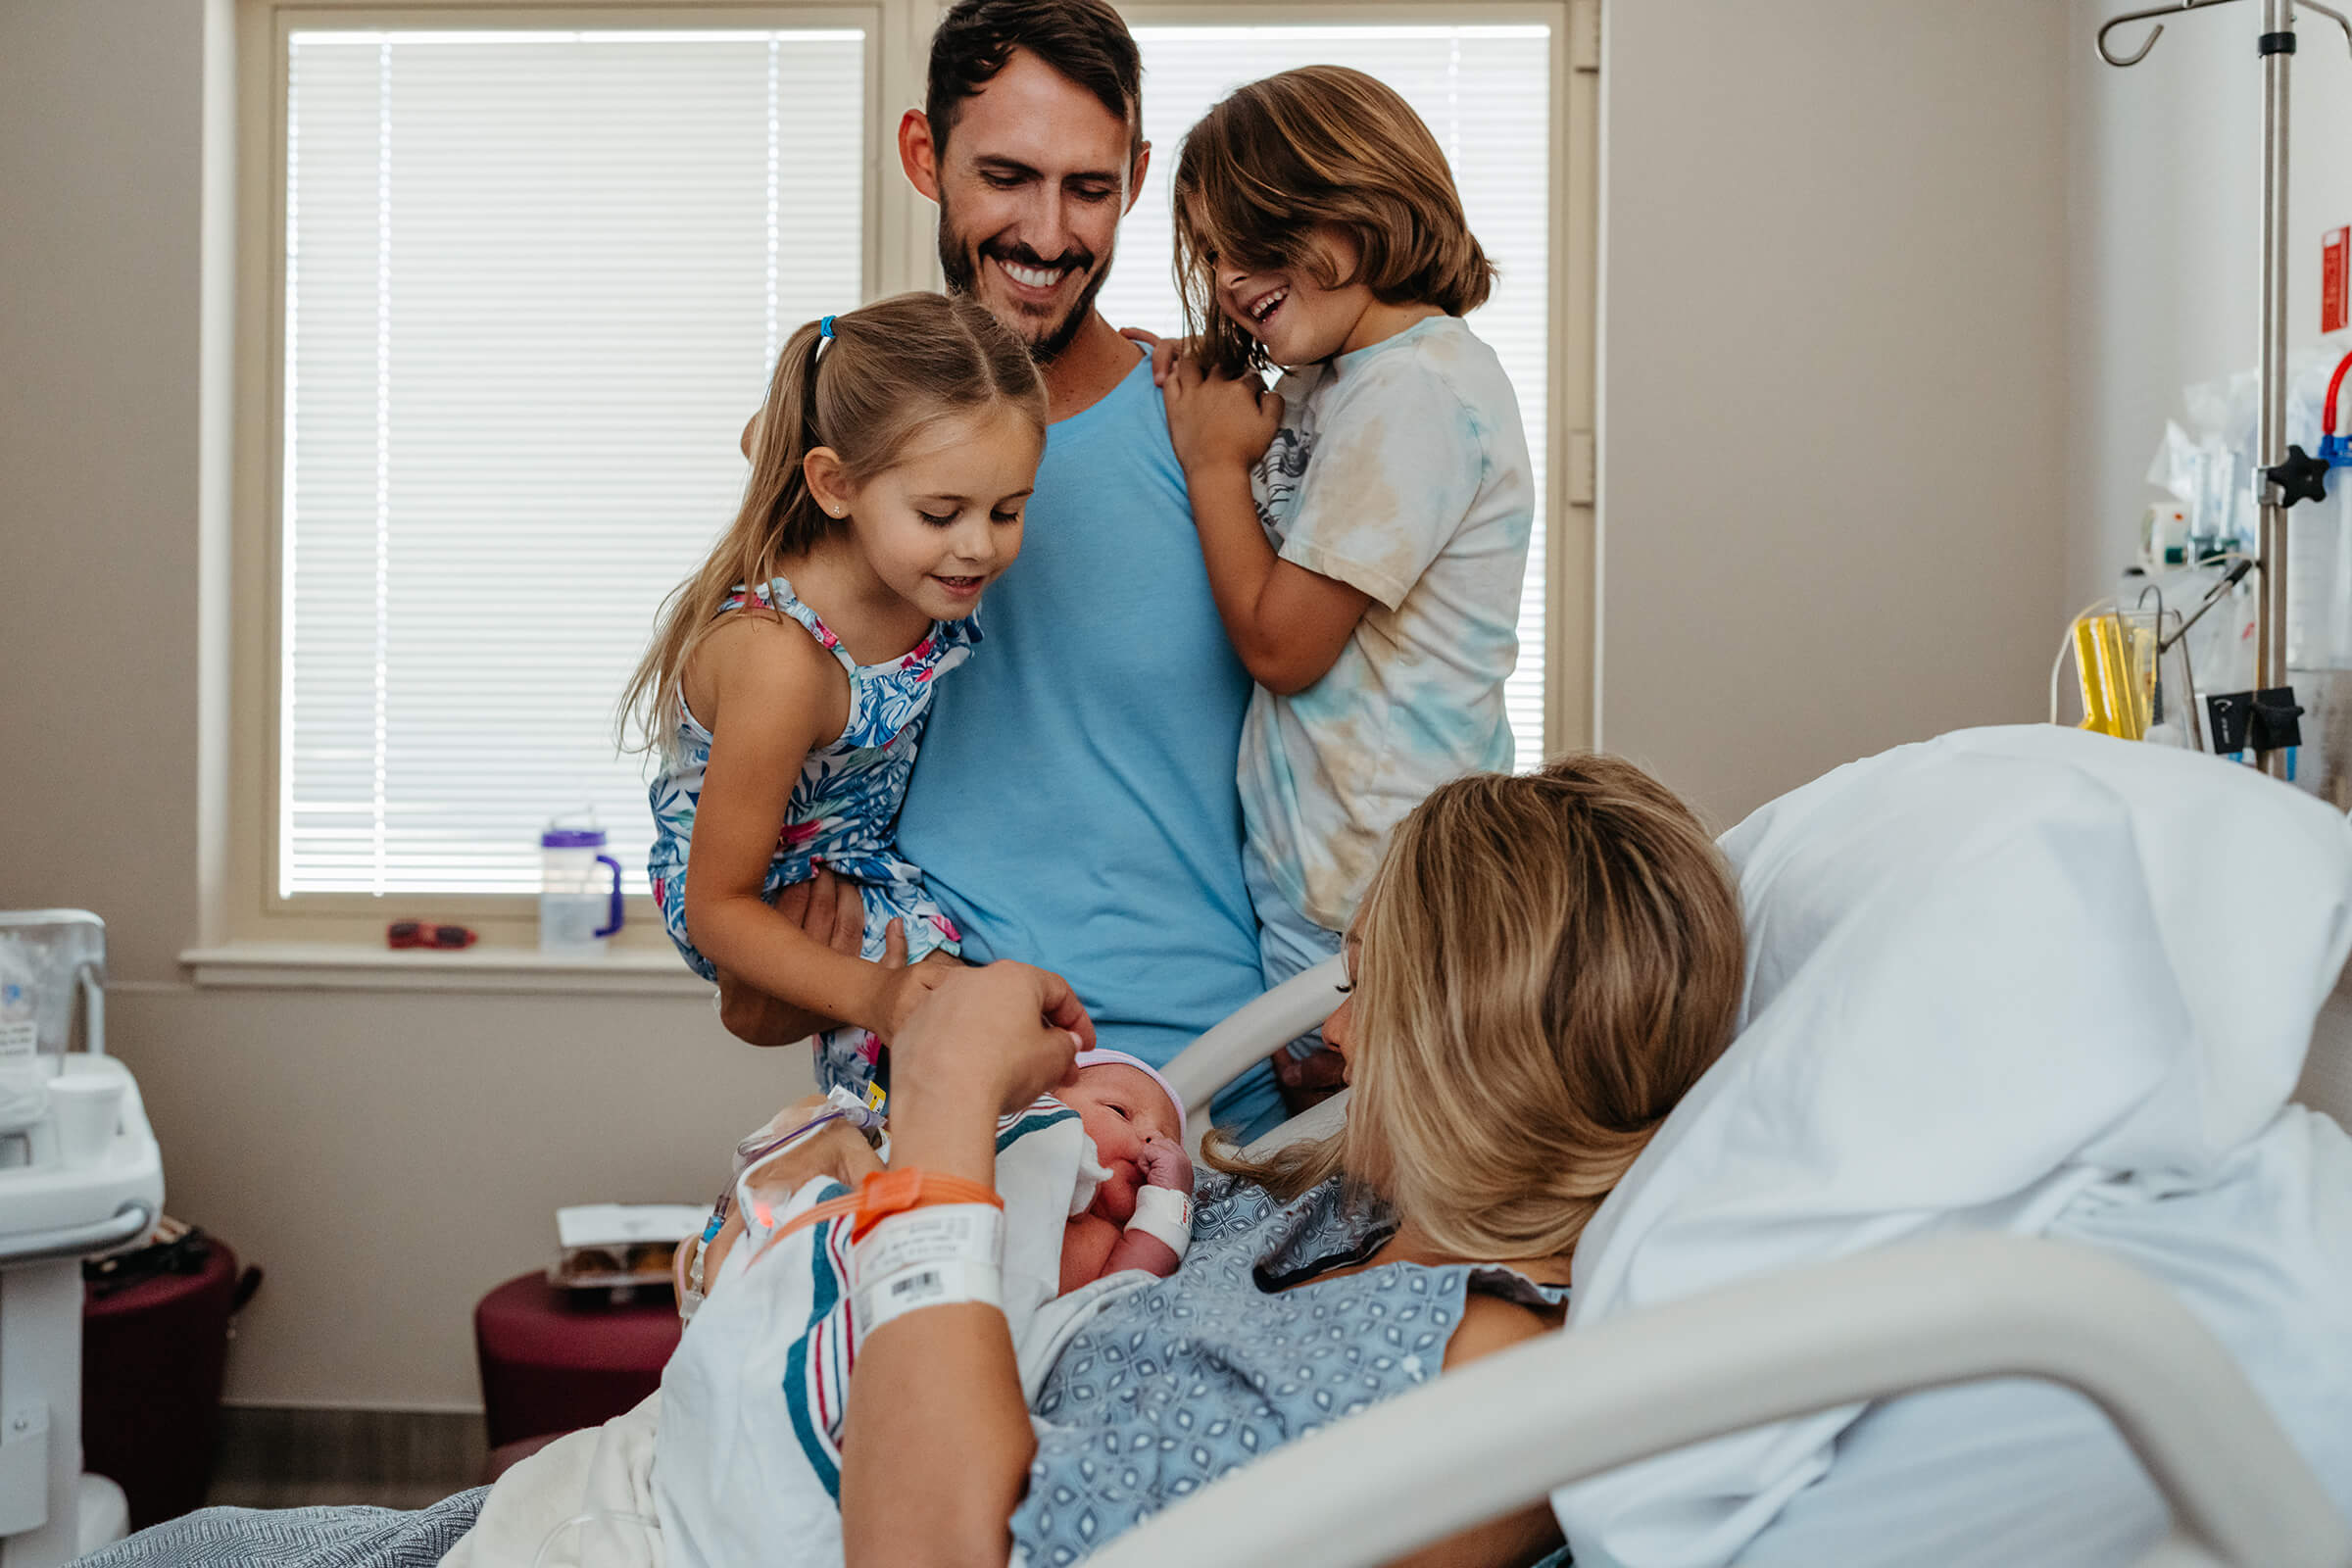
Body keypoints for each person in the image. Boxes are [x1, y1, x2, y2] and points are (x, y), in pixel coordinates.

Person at [829, 755, 1744, 1567]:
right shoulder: (1363, 1205)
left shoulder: (1497, 1377)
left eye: (1368, 984)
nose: (1337, 1033)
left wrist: (943, 1095)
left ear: (1462, 1042)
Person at [715, 0, 1290, 1139]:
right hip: (955, 1103)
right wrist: (834, 978)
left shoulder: (1218, 433)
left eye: (1087, 186)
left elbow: (1368, 738)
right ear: (924, 157)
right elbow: (751, 970)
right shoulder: (845, 468)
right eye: (1007, 176)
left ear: (1134, 178)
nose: (1047, 230)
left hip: (1225, 1091)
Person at [1154, 66, 1536, 1096]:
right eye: (1213, 249)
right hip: (1318, 889)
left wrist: (1211, 465)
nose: (1232, 274)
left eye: (1256, 236)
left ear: (1359, 205)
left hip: (1386, 896)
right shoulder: (1336, 381)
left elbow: (1285, 645)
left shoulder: (1418, 390)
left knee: (1366, 1167)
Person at [438, 1053, 1199, 1568]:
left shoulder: (1108, 1237)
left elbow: (1114, 1296)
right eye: (1121, 1109)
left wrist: (1164, 1218)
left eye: (1162, 1137)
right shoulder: (1006, 1146)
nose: (1144, 1140)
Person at [621, 292, 1050, 1099]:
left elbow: (773, 438)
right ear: (834, 485)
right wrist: (874, 996)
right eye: (941, 512)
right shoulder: (781, 661)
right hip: (754, 886)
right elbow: (718, 907)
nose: (980, 546)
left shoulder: (902, 551)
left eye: (1009, 511)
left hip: (853, 849)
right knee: (961, 1054)